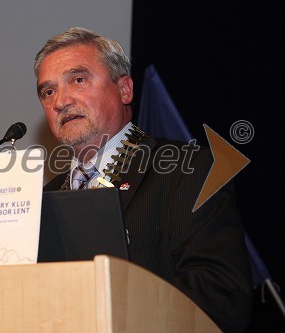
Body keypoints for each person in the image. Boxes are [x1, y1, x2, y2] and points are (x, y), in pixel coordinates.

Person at [35, 27, 252, 332]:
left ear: (125, 89)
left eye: (78, 79)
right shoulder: (41, 198)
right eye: (48, 91)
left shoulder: (187, 170)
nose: (60, 101)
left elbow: (220, 294)